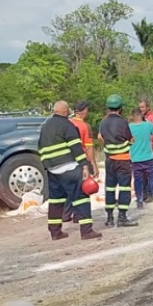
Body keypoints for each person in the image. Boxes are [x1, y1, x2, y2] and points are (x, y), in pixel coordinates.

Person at [39, 100, 102, 241]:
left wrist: (48, 166)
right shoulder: (67, 125)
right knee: (81, 197)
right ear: (66, 111)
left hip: (52, 169)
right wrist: (85, 166)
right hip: (68, 168)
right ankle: (86, 231)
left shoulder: (45, 125)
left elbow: (41, 147)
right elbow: (76, 147)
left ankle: (55, 232)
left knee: (56, 200)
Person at [98, 94, 138, 228]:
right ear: (120, 107)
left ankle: (109, 217)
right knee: (124, 188)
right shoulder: (122, 122)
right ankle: (122, 217)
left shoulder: (103, 122)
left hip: (109, 160)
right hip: (123, 160)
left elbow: (101, 138)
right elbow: (129, 138)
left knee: (109, 188)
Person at [63, 100, 97, 225]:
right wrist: (93, 163)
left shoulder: (67, 123)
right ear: (84, 111)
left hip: (68, 160)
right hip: (81, 160)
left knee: (70, 188)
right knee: (83, 189)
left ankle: (65, 214)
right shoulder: (85, 126)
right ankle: (79, 215)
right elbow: (88, 147)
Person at [129, 107, 153, 210]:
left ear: (132, 117)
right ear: (141, 115)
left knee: (138, 180)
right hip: (148, 157)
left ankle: (139, 200)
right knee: (152, 178)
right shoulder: (148, 125)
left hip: (135, 158)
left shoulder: (129, 127)